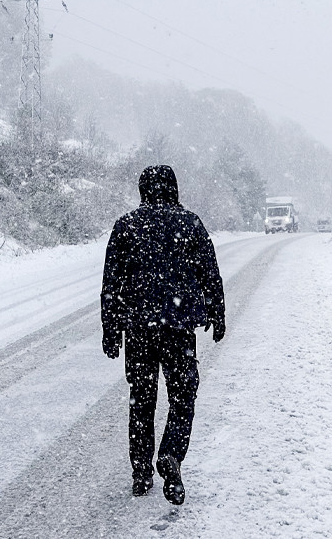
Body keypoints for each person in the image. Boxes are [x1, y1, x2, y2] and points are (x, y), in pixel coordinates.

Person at [100, 164, 226, 505]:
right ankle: (171, 454)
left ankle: (141, 472)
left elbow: (112, 284)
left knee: (141, 398)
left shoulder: (127, 226)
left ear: (143, 191)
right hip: (179, 329)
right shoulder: (191, 224)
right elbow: (209, 272)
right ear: (174, 189)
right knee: (183, 397)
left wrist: (111, 330)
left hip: (140, 328)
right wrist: (217, 313)